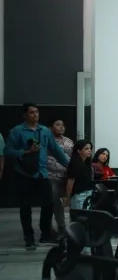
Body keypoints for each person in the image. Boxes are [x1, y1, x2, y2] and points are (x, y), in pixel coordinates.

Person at [4, 103, 70, 249]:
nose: (35, 115)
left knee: (48, 204)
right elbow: (8, 151)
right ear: (25, 115)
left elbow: (56, 151)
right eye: (32, 112)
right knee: (25, 207)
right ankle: (29, 238)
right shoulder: (17, 131)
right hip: (24, 173)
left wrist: (70, 166)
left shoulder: (45, 131)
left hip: (42, 173)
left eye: (37, 112)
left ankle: (45, 235)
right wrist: (25, 152)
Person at [46, 119, 74, 236]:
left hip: (67, 177)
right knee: (55, 202)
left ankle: (69, 227)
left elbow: (73, 158)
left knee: (66, 202)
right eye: (57, 125)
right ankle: (58, 228)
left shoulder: (69, 142)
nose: (61, 127)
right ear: (50, 127)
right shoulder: (46, 140)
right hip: (51, 176)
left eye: (63, 125)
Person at [65, 139, 95, 209]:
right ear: (79, 151)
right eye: (86, 149)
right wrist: (68, 198)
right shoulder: (75, 164)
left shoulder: (87, 164)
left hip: (88, 194)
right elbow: (70, 182)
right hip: (79, 195)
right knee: (79, 218)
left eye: (90, 148)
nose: (89, 150)